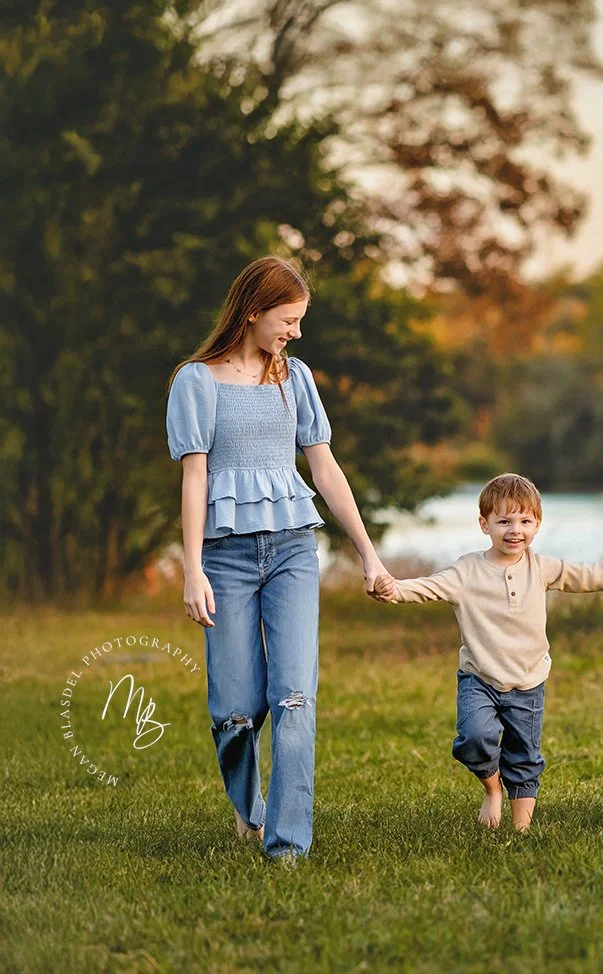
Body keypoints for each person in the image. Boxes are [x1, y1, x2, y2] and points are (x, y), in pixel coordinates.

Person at [166, 255, 393, 860]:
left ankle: (287, 845)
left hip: (293, 547)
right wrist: (192, 569)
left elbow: (324, 468)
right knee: (236, 709)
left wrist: (367, 554)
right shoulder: (196, 381)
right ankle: (249, 810)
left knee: (294, 696)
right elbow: (195, 480)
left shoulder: (295, 379)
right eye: (288, 319)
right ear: (252, 312)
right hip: (226, 557)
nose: (295, 332)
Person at [372, 474, 603, 831]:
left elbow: (590, 575)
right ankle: (492, 788)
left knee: (524, 756)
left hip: (529, 682)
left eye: (525, 521)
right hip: (480, 678)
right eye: (505, 521)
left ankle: (520, 832)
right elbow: (427, 587)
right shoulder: (467, 570)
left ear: (537, 524)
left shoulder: (540, 567)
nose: (515, 530)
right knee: (474, 739)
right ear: (485, 524)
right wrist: (393, 588)